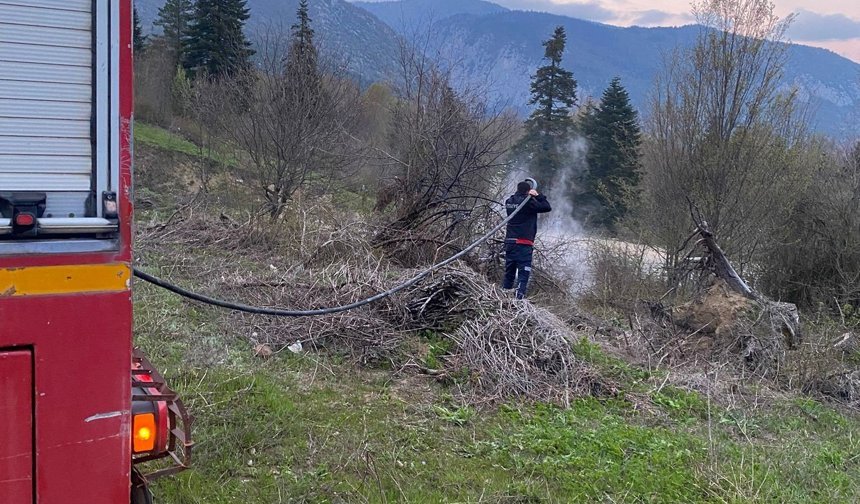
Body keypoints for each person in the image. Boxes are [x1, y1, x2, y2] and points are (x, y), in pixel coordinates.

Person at [502, 179, 552, 299]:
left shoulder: (509, 201)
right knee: (523, 275)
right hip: (523, 244)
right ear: (529, 191)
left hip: (509, 242)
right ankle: (518, 302)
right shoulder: (528, 202)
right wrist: (538, 195)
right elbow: (546, 207)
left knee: (509, 274)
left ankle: (503, 298)